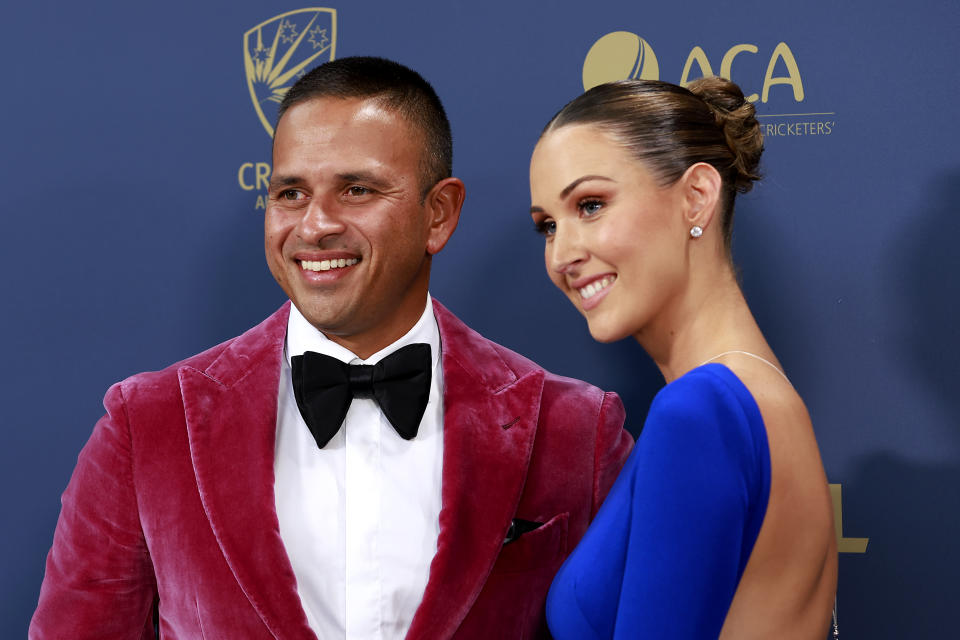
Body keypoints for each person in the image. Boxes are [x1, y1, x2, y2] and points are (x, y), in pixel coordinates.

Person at [31, 57, 632, 639]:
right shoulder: (149, 426)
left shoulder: (575, 432)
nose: (315, 225)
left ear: (439, 214)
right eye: (290, 193)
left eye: (357, 190)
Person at [528, 77, 837, 638]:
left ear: (696, 196)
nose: (562, 255)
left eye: (591, 205)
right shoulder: (757, 396)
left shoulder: (699, 413)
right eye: (548, 225)